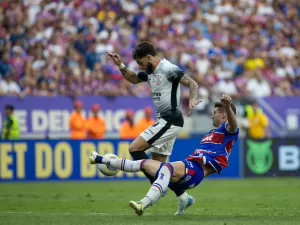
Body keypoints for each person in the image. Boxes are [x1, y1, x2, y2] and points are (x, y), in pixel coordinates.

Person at [90, 94, 239, 216]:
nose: (211, 116)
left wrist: (226, 106)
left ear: (224, 115)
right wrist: (100, 160)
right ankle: (99, 159)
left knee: (166, 169)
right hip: (191, 168)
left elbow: (233, 125)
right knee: (143, 164)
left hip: (196, 170)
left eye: (214, 113)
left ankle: (143, 203)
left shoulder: (227, 132)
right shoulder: (212, 133)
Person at [108, 41, 200, 183]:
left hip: (170, 120)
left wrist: (193, 99)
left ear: (149, 57)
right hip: (164, 121)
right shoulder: (150, 72)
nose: (140, 66)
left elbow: (192, 83)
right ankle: (182, 195)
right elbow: (133, 78)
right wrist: (120, 65)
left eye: (140, 62)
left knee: (134, 149)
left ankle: (158, 185)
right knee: (158, 166)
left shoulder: (168, 69)